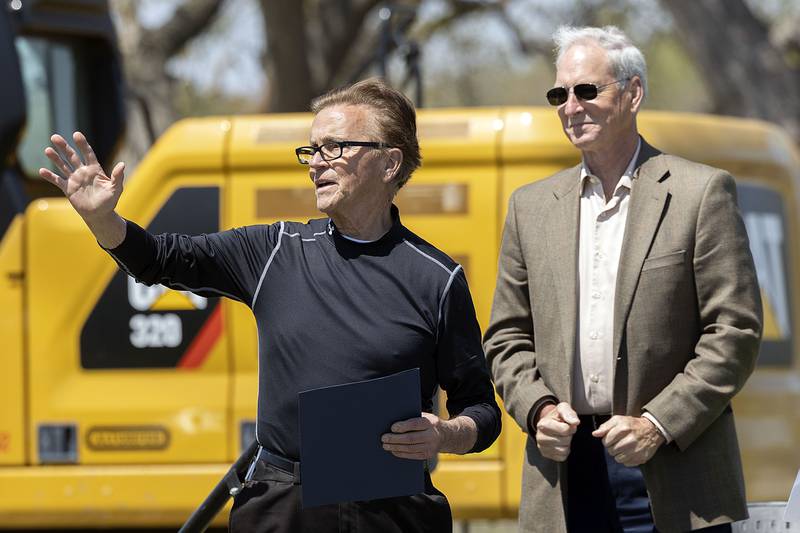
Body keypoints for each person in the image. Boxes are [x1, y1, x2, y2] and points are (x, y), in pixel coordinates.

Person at [40, 78, 501, 533]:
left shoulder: (437, 278)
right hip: (282, 509)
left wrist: (443, 434)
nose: (316, 163)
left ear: (388, 162)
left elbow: (481, 409)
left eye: (333, 147)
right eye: (311, 150)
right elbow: (162, 259)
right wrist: (104, 219)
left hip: (396, 513)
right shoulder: (274, 250)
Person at [484, 25, 762, 533]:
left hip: (673, 472)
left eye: (587, 90)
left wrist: (658, 424)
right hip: (564, 476)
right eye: (559, 94)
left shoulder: (701, 193)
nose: (571, 106)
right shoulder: (530, 207)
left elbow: (735, 331)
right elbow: (506, 336)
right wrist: (538, 408)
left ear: (633, 93)